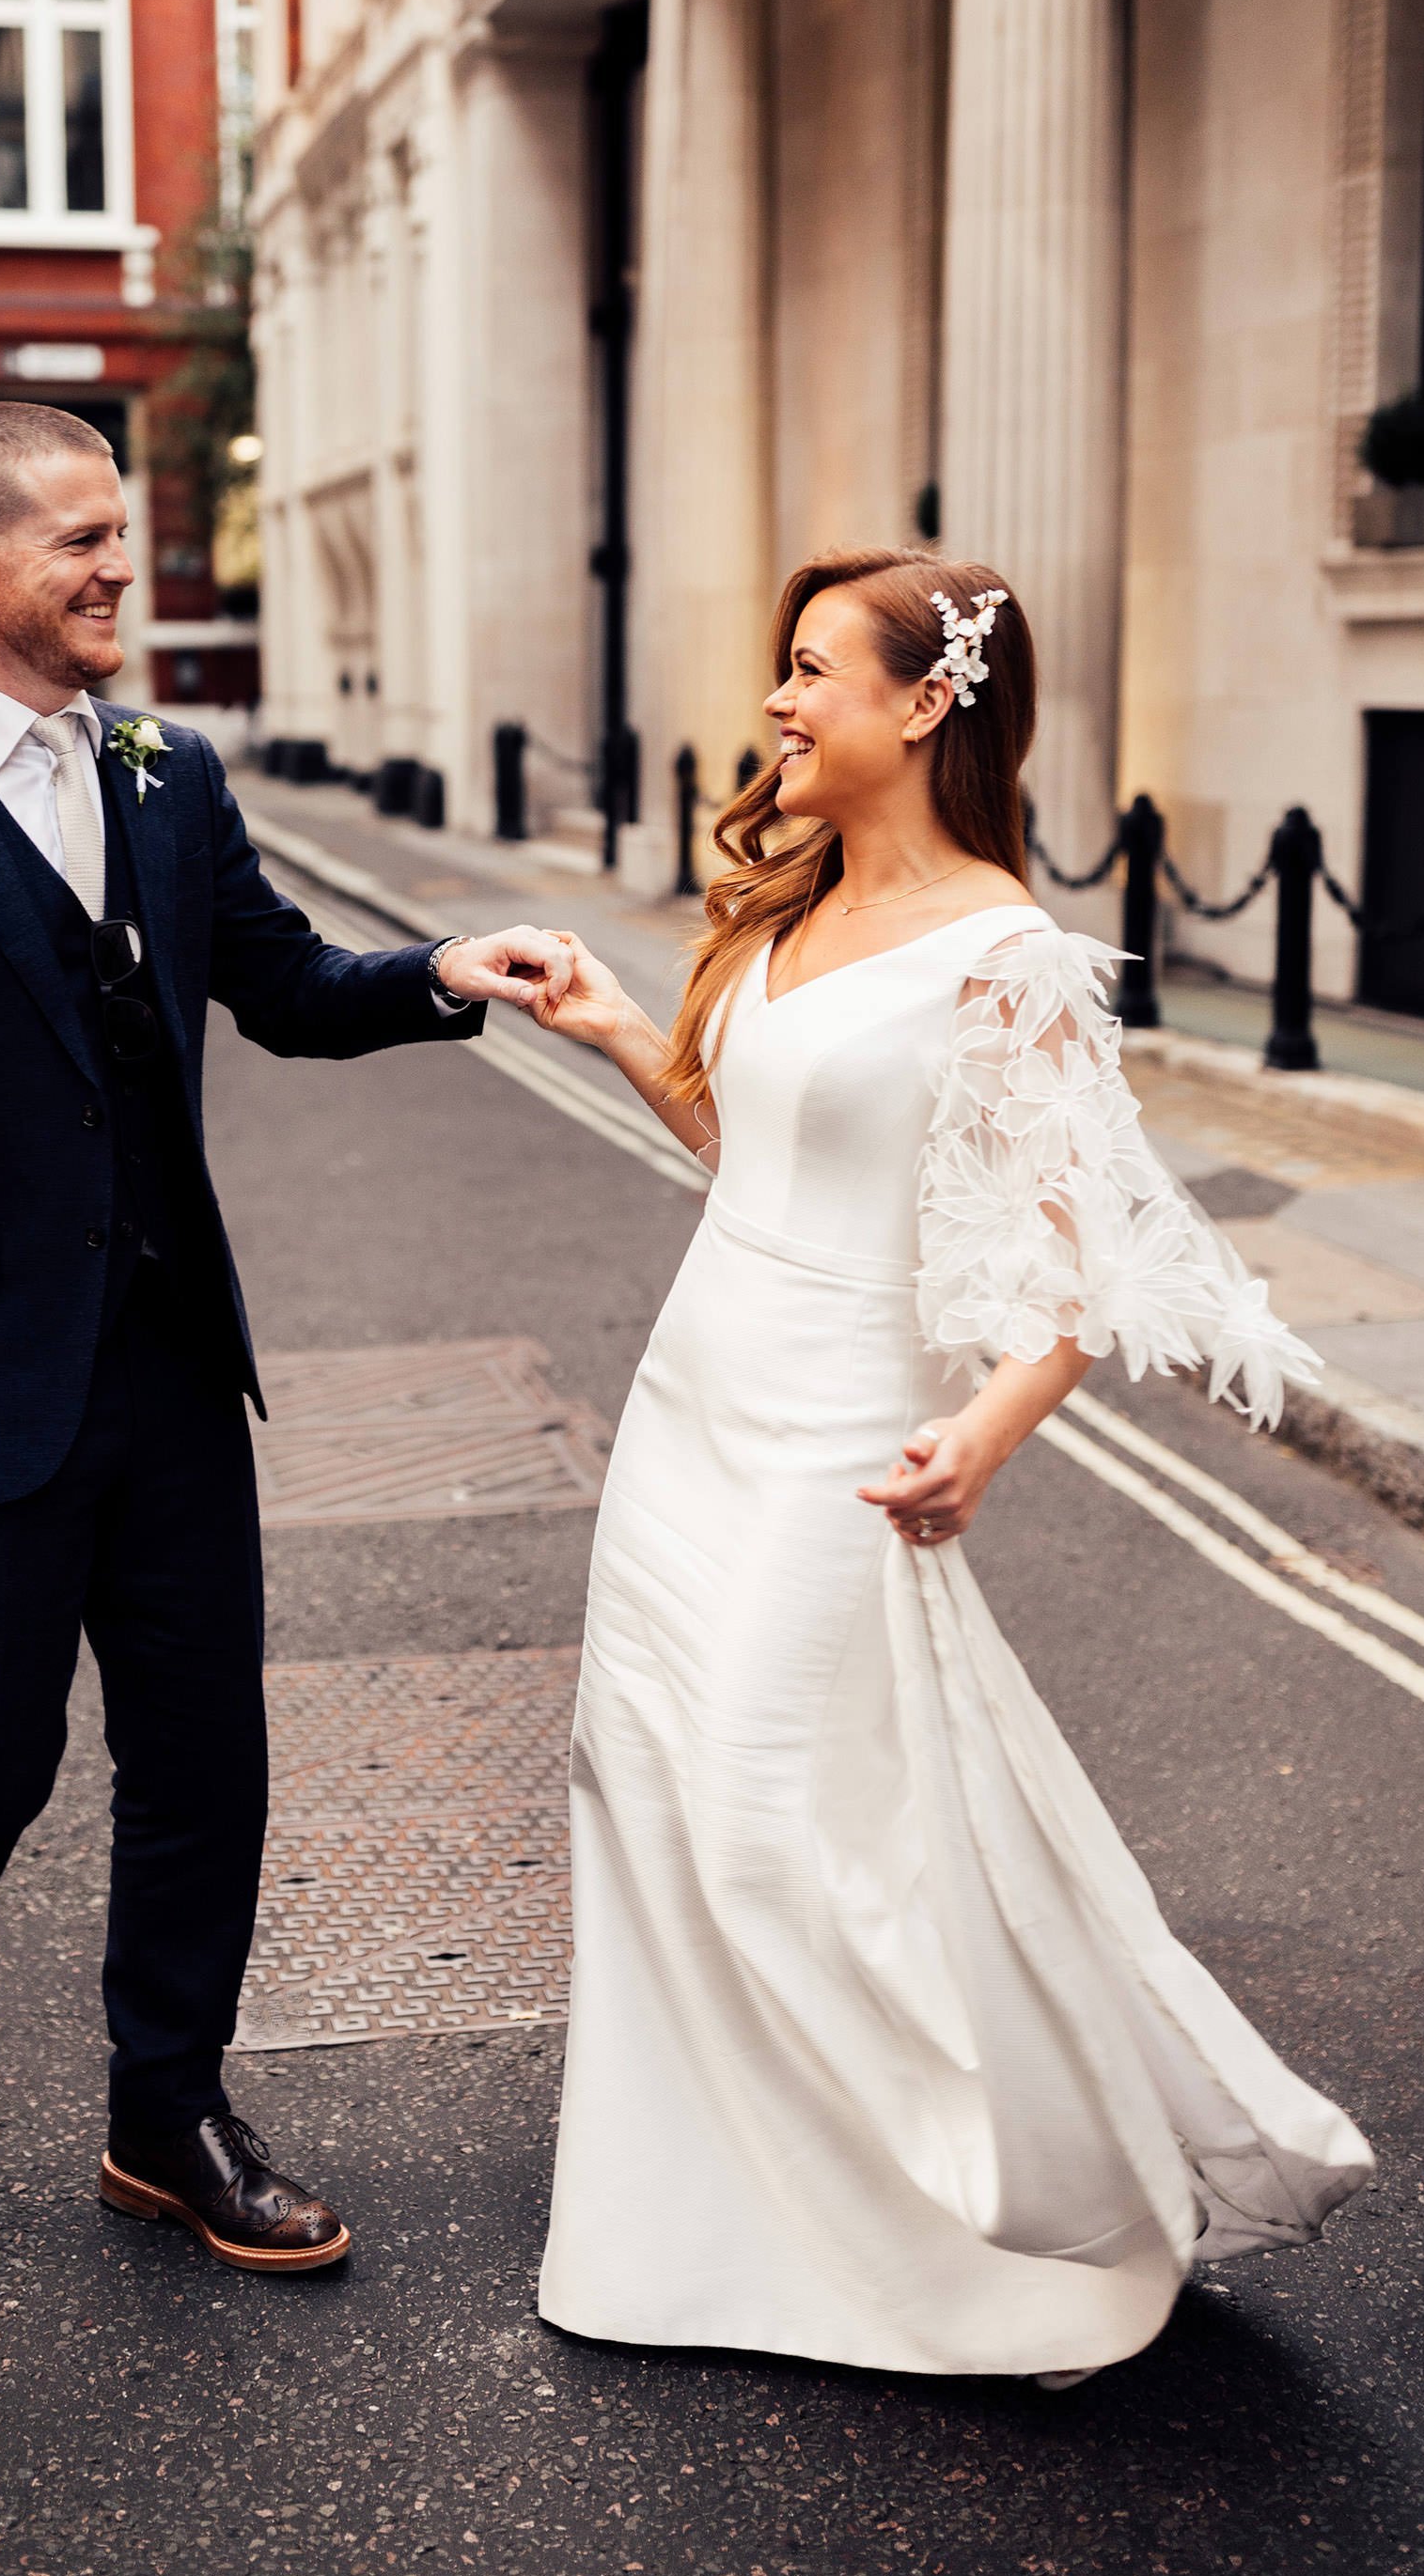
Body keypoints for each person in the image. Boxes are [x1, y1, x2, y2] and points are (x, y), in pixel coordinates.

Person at [0, 399, 573, 2289]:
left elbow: (276, 988)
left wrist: (442, 973)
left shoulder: (170, 775)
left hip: (174, 1368)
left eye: (126, 536)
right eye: (77, 540)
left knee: (206, 1756)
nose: (122, 570)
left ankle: (160, 2109)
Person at [524, 546, 1372, 2383]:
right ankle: (700, 2243)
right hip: (688, 1413)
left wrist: (978, 1434)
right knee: (643, 1788)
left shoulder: (1004, 954)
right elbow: (751, 1153)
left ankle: (989, 2224)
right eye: (780, 666)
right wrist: (611, 1025)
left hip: (839, 1437)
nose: (776, 699)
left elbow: (1077, 1270)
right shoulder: (778, 909)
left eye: (810, 667)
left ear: (924, 704)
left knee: (760, 1825)